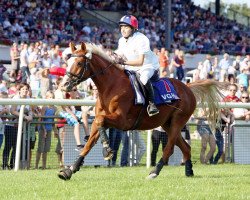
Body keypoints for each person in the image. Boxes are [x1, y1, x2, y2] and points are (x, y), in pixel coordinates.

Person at [115, 15, 160, 117]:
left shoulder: (142, 39)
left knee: (143, 78)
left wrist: (123, 62)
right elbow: (119, 55)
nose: (123, 30)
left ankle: (152, 104)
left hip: (147, 66)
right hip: (131, 66)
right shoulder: (121, 40)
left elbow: (140, 62)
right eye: (121, 27)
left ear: (133, 28)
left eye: (126, 27)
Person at [2, 83, 33, 170]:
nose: (25, 91)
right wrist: (24, 116)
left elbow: (30, 110)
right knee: (8, 146)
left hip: (21, 127)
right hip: (11, 126)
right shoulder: (16, 98)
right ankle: (4, 165)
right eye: (23, 89)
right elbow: (13, 111)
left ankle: (12, 165)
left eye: (26, 89)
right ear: (19, 90)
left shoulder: (28, 98)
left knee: (16, 147)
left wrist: (30, 115)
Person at [35, 91, 57, 169]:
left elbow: (53, 120)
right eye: (50, 97)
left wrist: (55, 131)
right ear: (46, 98)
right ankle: (36, 166)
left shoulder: (54, 108)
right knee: (40, 148)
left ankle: (44, 166)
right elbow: (41, 119)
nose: (51, 99)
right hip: (43, 129)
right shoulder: (45, 107)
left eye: (52, 97)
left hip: (49, 130)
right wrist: (44, 130)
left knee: (46, 149)